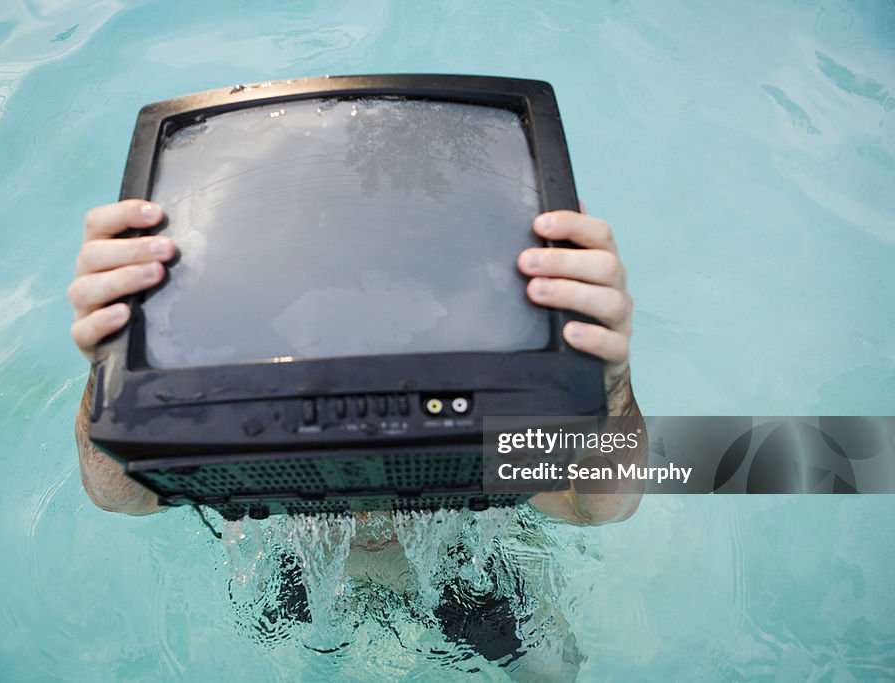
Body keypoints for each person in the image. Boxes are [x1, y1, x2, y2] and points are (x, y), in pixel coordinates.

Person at [67, 199, 644, 672]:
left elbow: (602, 505)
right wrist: (113, 376)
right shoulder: (252, 411)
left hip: (462, 571)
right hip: (293, 578)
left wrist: (611, 386)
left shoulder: (472, 412)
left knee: (556, 669)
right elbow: (119, 494)